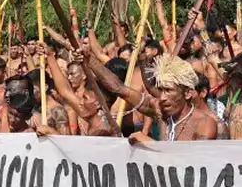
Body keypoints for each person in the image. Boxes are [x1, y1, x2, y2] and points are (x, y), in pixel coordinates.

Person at [86, 51, 219, 142]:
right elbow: (120, 89)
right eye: (160, 90)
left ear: (188, 93)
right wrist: (88, 58)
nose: (162, 97)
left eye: (168, 90)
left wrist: (150, 144)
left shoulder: (205, 123)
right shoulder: (160, 110)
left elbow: (194, 166)